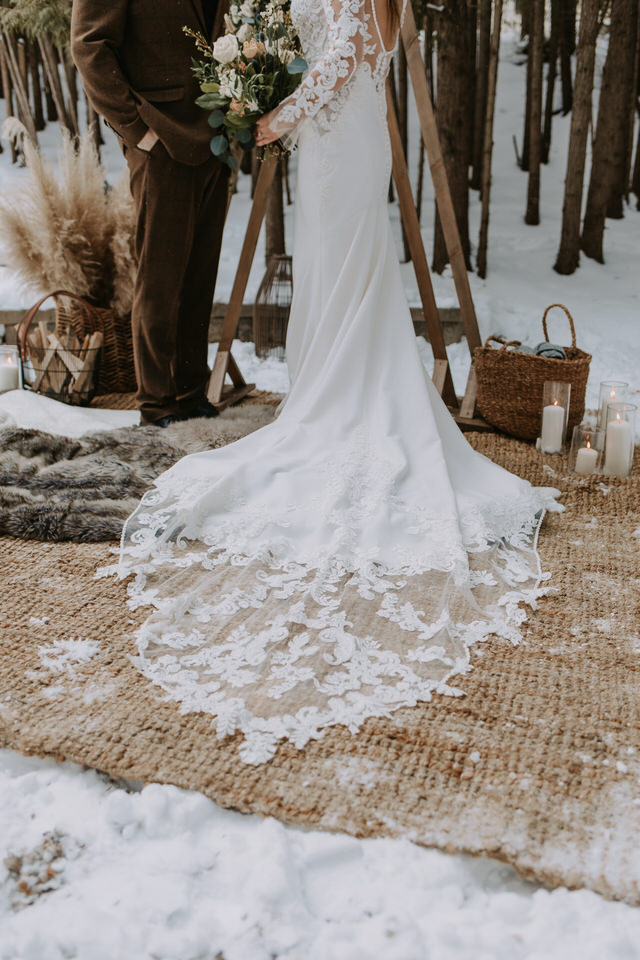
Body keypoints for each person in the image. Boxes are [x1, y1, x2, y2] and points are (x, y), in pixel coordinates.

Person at [117, 0, 561, 765]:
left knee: (350, 270)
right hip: (324, 142)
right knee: (330, 274)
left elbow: (345, 60)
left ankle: (349, 397)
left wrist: (274, 118)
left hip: (336, 133)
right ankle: (327, 386)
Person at [71, 0, 228, 426]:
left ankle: (190, 390)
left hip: (218, 137)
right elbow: (88, 45)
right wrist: (136, 130)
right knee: (160, 279)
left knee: (199, 275)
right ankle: (157, 401)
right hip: (159, 137)